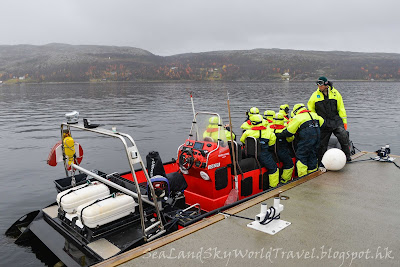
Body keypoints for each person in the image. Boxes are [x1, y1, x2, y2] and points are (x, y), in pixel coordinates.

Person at [307, 76, 352, 162]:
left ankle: (347, 156)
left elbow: (341, 108)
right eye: (318, 85)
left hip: (336, 121)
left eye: (321, 85)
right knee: (322, 144)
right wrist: (315, 121)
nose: (319, 87)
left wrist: (344, 122)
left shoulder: (335, 93)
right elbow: (311, 109)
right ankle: (321, 161)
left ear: (326, 85)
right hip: (323, 122)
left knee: (343, 137)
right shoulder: (314, 95)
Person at [275, 104, 324, 177]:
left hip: (306, 140)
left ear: (296, 111)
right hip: (316, 139)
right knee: (313, 156)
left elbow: (289, 132)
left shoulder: (298, 117)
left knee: (301, 157)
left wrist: (278, 135)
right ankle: (313, 176)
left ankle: (303, 178)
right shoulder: (314, 115)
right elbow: (323, 123)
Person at [240, 114, 279, 188]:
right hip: (263, 154)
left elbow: (242, 140)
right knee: (274, 169)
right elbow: (272, 143)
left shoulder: (247, 132)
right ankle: (273, 187)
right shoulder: (269, 132)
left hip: (250, 153)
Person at [269, 113, 294, 183]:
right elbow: (290, 139)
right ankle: (284, 181)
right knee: (289, 164)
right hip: (281, 151)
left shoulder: (268, 128)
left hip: (271, 151)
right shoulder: (285, 130)